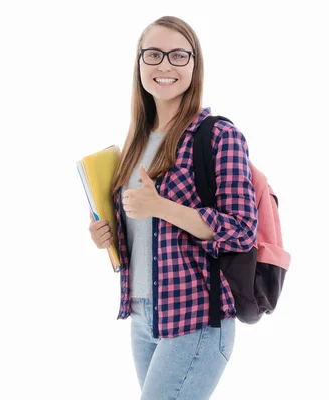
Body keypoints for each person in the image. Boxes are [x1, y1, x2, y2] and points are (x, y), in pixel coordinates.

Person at [88, 16, 258, 399]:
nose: (165, 65)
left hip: (197, 316)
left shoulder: (218, 135)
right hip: (142, 313)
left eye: (179, 55)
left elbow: (243, 229)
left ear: (195, 65)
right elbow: (143, 229)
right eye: (154, 54)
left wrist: (160, 206)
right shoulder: (134, 142)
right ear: (139, 63)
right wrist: (108, 235)